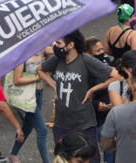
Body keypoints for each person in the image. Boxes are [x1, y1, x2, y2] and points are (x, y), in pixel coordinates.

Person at [37, 30, 120, 163]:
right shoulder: (57, 60)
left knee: (88, 159)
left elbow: (116, 76)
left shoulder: (86, 60)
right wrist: (53, 85)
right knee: (63, 159)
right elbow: (40, 70)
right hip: (61, 123)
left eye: (58, 43)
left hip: (84, 123)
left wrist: (93, 89)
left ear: (70, 45)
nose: (55, 46)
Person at [6, 51, 50, 163]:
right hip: (28, 97)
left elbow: (56, 48)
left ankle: (13, 154)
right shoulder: (22, 55)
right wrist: (36, 79)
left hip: (39, 93)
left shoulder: (41, 50)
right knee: (42, 130)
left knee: (28, 126)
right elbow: (17, 80)